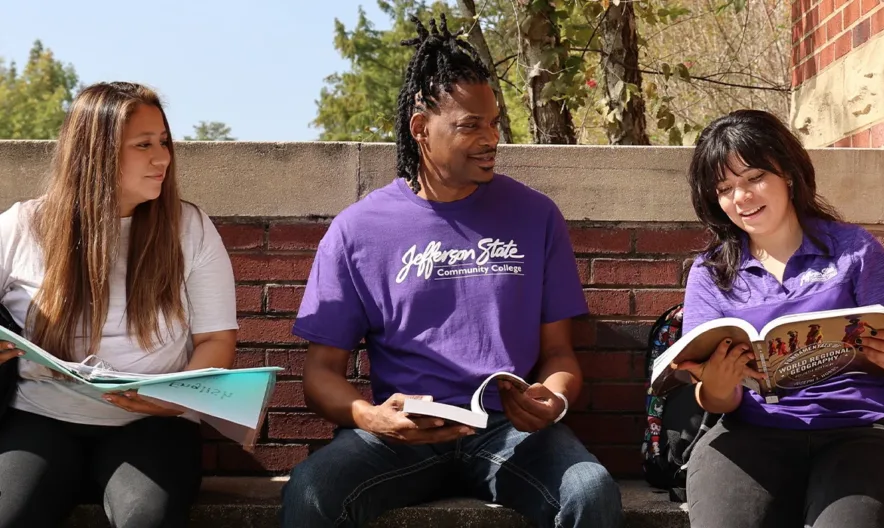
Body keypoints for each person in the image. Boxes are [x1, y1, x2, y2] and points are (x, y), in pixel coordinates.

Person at [281, 14, 622, 528]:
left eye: (493, 122)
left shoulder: (535, 216)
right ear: (421, 129)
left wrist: (551, 398)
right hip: (403, 436)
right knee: (310, 491)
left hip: (510, 433)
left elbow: (558, 355)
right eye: (470, 125)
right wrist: (372, 418)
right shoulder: (358, 230)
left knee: (590, 491)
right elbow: (320, 374)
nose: (490, 138)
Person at [0, 82, 238, 527]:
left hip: (154, 426)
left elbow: (216, 342)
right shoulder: (22, 226)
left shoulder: (189, 228)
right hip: (40, 417)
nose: (162, 157)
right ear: (96, 152)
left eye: (164, 142)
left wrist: (171, 397)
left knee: (148, 518)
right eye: (143, 145)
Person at [677, 109, 884, 528]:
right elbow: (714, 400)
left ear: (787, 173)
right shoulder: (710, 273)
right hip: (751, 432)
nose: (742, 197)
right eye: (725, 188)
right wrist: (715, 388)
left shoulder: (855, 251)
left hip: (857, 430)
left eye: (754, 177)